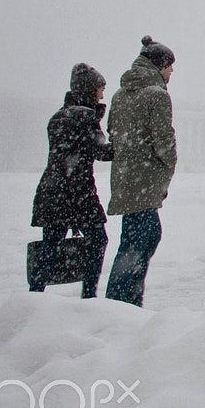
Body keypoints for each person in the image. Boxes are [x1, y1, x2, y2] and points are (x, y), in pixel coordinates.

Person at [29, 63, 114, 297]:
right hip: (78, 192)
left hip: (53, 189)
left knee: (50, 247)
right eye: (100, 89)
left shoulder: (58, 116)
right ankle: (88, 296)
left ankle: (34, 295)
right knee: (98, 241)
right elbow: (102, 152)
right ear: (89, 90)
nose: (102, 95)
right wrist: (125, 144)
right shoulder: (85, 116)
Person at [105, 37, 178, 307]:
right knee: (136, 243)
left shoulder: (119, 95)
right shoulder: (157, 95)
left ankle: (127, 298)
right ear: (159, 66)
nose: (172, 72)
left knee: (142, 237)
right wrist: (168, 164)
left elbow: (113, 132)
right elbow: (164, 140)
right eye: (170, 66)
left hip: (126, 177)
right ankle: (120, 302)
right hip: (145, 178)